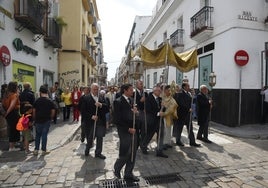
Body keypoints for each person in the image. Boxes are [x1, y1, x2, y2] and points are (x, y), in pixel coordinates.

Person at [113, 84, 139, 182]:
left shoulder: (132, 101)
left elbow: (135, 116)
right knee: (126, 152)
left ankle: (128, 173)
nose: (133, 91)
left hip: (134, 130)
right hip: (124, 131)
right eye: (131, 90)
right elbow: (117, 119)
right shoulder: (118, 102)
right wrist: (128, 128)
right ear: (125, 90)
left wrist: (136, 113)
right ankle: (117, 168)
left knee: (133, 153)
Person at [140, 85, 168, 158]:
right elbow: (148, 110)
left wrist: (164, 106)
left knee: (161, 135)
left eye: (160, 91)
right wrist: (158, 113)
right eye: (159, 91)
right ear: (154, 91)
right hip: (151, 121)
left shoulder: (160, 99)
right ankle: (143, 146)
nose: (160, 92)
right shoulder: (149, 99)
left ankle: (159, 151)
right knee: (149, 135)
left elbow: (163, 109)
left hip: (159, 120)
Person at [83, 83, 108, 159]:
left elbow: (107, 107)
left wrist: (101, 105)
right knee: (90, 138)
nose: (96, 91)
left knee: (100, 137)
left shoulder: (101, 98)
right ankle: (87, 149)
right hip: (90, 122)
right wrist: (91, 116)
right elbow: (83, 111)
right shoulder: (86, 98)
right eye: (94, 89)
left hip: (100, 121)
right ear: (91, 89)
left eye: (97, 89)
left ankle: (98, 153)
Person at [173, 82, 201, 147]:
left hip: (188, 115)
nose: (189, 87)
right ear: (184, 87)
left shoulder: (189, 93)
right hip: (182, 114)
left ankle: (192, 141)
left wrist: (193, 95)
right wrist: (188, 109)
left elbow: (193, 101)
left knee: (190, 129)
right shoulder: (180, 94)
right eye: (188, 86)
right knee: (179, 129)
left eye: (189, 86)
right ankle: (178, 141)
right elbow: (181, 103)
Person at [33, 85, 56, 156]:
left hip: (38, 120)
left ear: (40, 92)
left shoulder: (37, 101)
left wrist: (34, 119)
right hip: (46, 120)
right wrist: (51, 118)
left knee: (37, 135)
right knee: (44, 135)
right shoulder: (50, 101)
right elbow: (53, 111)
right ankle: (43, 150)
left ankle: (36, 150)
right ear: (47, 92)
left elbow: (34, 111)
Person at [2, 81, 21, 151]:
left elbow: (4, 104)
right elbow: (12, 106)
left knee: (12, 128)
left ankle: (13, 144)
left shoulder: (6, 95)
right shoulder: (14, 95)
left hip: (9, 114)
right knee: (14, 129)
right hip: (13, 113)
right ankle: (11, 147)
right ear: (14, 87)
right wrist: (7, 113)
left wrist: (6, 114)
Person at [161, 85, 178, 149]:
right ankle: (163, 143)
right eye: (168, 90)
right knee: (164, 130)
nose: (170, 92)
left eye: (170, 90)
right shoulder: (162, 97)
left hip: (169, 116)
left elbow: (174, 105)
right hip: (163, 116)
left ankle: (168, 142)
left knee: (169, 130)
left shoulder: (171, 98)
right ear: (165, 90)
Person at [134, 80, 148, 148]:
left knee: (144, 130)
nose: (142, 85)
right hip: (137, 113)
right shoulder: (133, 93)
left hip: (144, 113)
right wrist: (140, 101)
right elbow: (133, 103)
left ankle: (143, 144)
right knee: (136, 129)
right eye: (140, 84)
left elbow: (148, 102)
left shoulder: (145, 93)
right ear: (136, 85)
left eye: (142, 84)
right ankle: (136, 143)